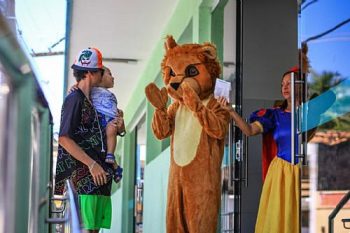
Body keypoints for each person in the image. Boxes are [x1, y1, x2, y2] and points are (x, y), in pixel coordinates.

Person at [218, 67, 305, 233]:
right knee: (279, 221)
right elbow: (249, 131)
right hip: (282, 174)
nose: (285, 87)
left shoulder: (310, 114)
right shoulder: (274, 115)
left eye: (290, 83)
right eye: (282, 84)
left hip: (303, 172)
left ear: (301, 85)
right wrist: (231, 111)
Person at [54, 48, 118, 233]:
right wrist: (91, 164)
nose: (102, 73)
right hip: (83, 182)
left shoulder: (93, 101)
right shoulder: (75, 99)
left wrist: (119, 128)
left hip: (98, 182)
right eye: (100, 70)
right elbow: (64, 138)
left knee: (94, 230)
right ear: (90, 73)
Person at [90, 66, 124, 182]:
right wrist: (73, 88)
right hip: (99, 120)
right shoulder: (93, 89)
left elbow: (114, 108)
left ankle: (111, 155)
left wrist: (120, 114)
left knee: (112, 131)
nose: (112, 77)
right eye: (109, 74)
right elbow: (79, 87)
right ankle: (115, 167)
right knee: (106, 139)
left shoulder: (111, 95)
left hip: (111, 120)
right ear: (99, 77)